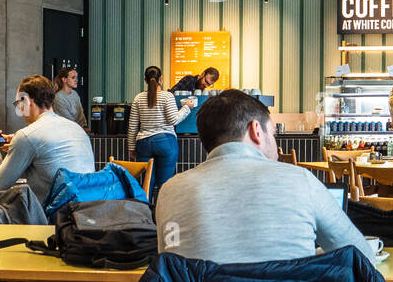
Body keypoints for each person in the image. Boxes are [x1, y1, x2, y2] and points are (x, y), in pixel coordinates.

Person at [156, 88, 375, 264]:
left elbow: (172, 270)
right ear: (256, 131)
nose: (276, 144)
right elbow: (364, 258)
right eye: (273, 134)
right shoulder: (300, 181)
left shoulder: (169, 191)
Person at [0, 75, 95, 205]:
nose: (19, 109)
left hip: (52, 218)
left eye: (18, 104)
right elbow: (48, 146)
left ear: (26, 100)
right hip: (86, 213)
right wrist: (17, 141)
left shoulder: (27, 136)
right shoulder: (77, 129)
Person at [127, 66, 195, 203]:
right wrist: (187, 107)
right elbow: (173, 120)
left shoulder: (138, 98)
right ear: (161, 79)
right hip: (166, 142)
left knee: (146, 185)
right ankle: (161, 217)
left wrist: (131, 148)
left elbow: (133, 126)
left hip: (143, 143)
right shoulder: (167, 96)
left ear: (145, 80)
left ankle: (145, 217)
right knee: (164, 185)